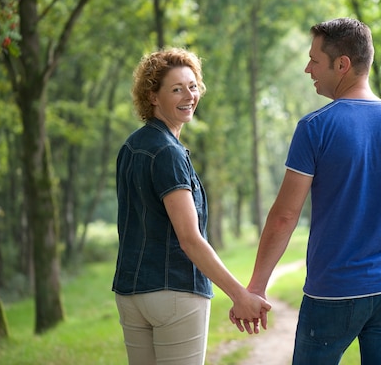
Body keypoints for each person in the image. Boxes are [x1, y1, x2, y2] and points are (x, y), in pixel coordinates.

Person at [231, 18, 381, 365]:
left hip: (332, 293)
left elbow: (284, 217)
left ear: (342, 64)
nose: (307, 68)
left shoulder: (315, 128)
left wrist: (256, 287)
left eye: (314, 59)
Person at [113, 47, 271, 365]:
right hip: (175, 293)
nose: (189, 95)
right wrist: (240, 295)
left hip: (131, 293)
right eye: (176, 89)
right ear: (153, 97)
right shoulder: (168, 153)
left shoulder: (130, 147)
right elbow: (190, 239)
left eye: (193, 85)